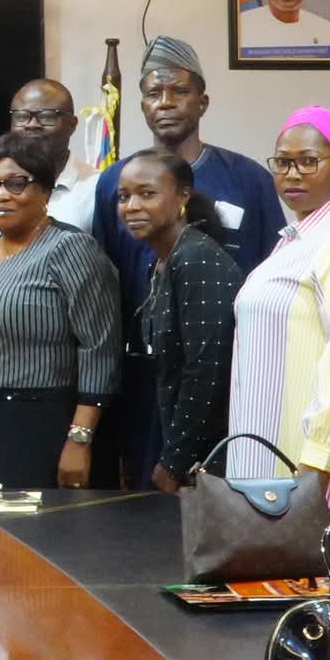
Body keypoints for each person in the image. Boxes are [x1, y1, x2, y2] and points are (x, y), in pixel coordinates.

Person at [91, 35, 285, 488]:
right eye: (154, 93)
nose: (166, 102)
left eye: (179, 91)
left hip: (225, 373)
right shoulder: (114, 182)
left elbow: (272, 276)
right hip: (144, 379)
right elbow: (107, 283)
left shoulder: (248, 179)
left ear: (203, 101)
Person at [227, 105, 330, 581]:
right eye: (282, 162)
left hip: (318, 462)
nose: (292, 173)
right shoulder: (297, 238)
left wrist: (317, 459)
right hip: (269, 458)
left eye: (308, 161)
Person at [0, 133, 118, 490]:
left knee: (35, 524)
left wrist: (79, 439)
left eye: (16, 184)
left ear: (46, 191)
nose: (0, 195)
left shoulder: (70, 248)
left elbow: (100, 348)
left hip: (40, 424)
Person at [114, 148, 243, 492]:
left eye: (147, 194)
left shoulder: (197, 258)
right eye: (124, 197)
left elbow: (208, 371)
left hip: (211, 456)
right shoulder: (162, 261)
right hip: (182, 445)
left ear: (182, 196)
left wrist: (175, 461)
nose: (131, 206)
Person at [0, 77, 95, 260]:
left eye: (47, 116)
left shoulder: (96, 187)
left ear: (72, 124)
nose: (32, 124)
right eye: (22, 116)